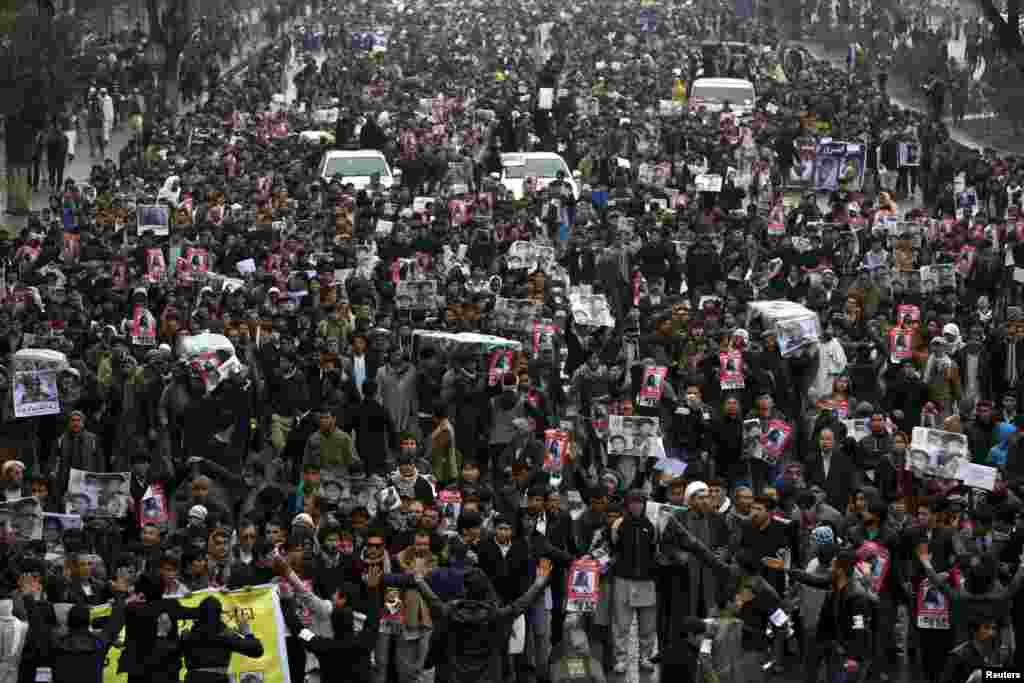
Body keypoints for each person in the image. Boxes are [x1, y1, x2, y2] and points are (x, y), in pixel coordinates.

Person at [180, 596, 264, 683]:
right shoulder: (223, 633)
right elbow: (257, 650)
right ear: (218, 615)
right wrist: (247, 632)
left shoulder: (187, 635)